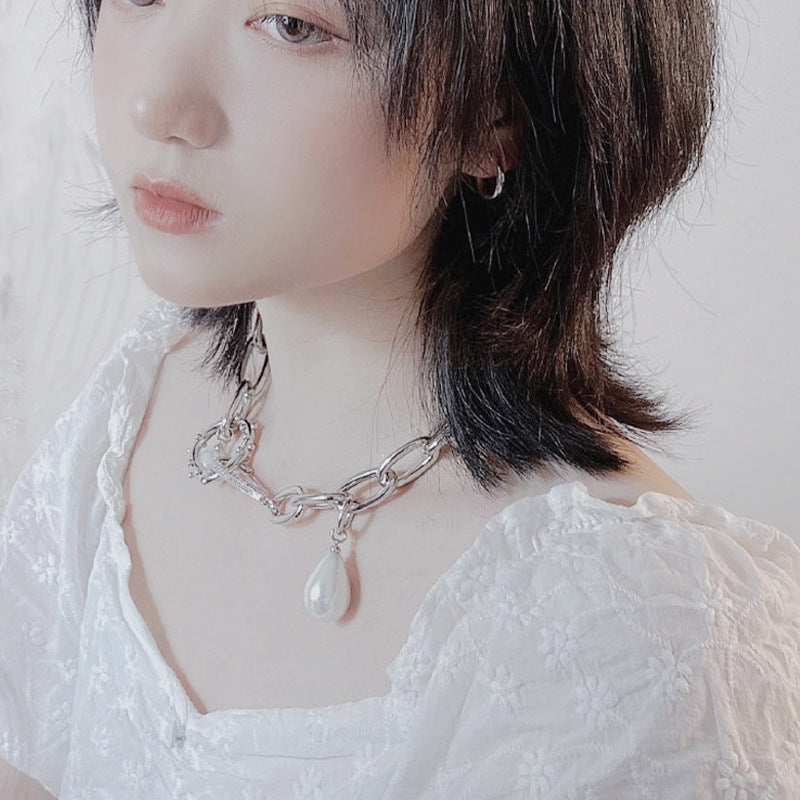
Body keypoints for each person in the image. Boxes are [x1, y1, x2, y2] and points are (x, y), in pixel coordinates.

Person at [1, 0, 799, 797]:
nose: (156, 105)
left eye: (291, 26)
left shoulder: (635, 628)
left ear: (495, 114)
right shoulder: (135, 410)